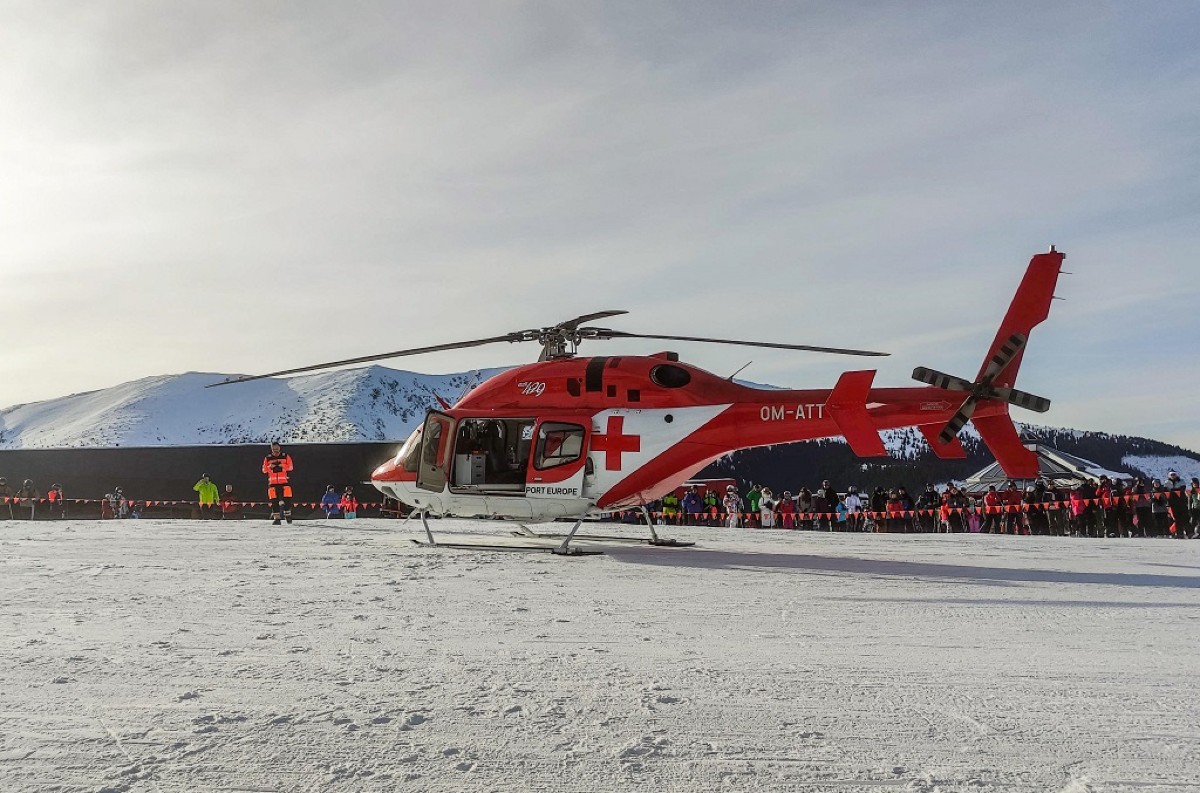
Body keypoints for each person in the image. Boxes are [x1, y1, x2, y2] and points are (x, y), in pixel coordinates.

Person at [262, 442, 294, 525]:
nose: (275, 450)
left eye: (276, 448)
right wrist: (270, 467)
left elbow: (291, 467)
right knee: (274, 501)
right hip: (272, 483)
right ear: (271, 449)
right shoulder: (267, 458)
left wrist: (282, 465)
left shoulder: (285, 456)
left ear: (279, 448)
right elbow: (264, 470)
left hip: (284, 482)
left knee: (287, 500)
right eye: (273, 449)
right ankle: (277, 519)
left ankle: (288, 516)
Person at [1164, 471, 1189, 539]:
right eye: (1171, 475)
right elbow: (1166, 492)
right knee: (1177, 519)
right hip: (1172, 503)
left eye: (1174, 474)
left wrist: (1172, 490)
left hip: (1182, 502)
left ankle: (1189, 533)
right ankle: (1179, 533)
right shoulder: (1167, 482)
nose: (1173, 476)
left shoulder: (1181, 481)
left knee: (1185, 518)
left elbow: (1182, 489)